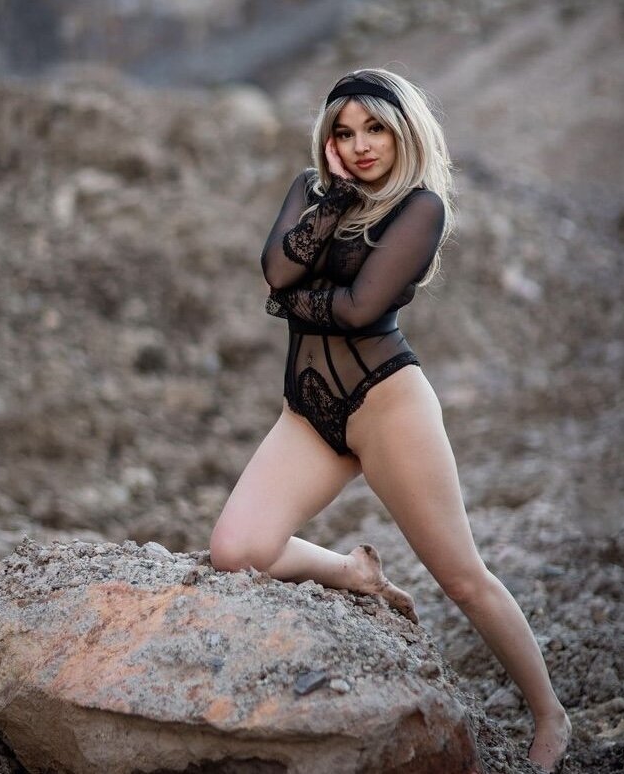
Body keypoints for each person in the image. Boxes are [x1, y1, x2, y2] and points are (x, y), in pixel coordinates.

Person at [209, 68, 571, 772]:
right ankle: (352, 570)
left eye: (375, 126)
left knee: (462, 578)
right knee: (234, 548)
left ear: (403, 128)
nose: (362, 143)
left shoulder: (420, 207)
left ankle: (550, 714)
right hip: (309, 413)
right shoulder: (311, 192)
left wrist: (289, 300)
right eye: (344, 131)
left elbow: (357, 309)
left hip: (387, 405)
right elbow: (277, 270)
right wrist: (336, 199)